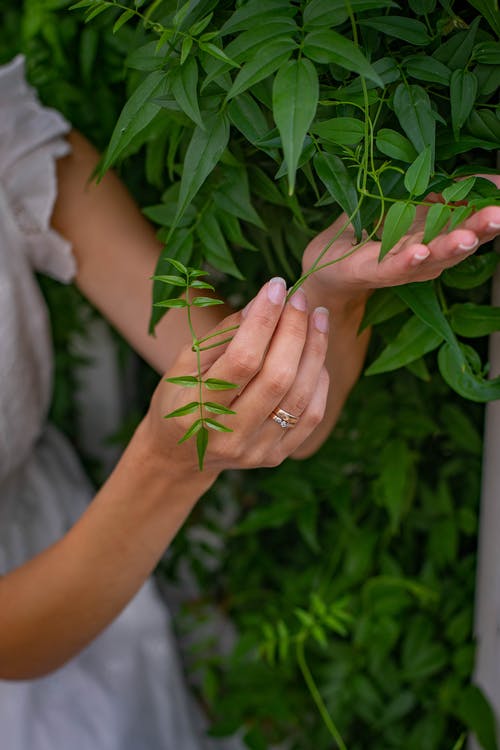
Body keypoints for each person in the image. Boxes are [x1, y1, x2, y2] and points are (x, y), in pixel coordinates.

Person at [0, 53, 499, 750]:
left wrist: (326, 289)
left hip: (68, 550)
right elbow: (10, 650)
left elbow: (256, 405)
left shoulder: (6, 130)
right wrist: (168, 466)